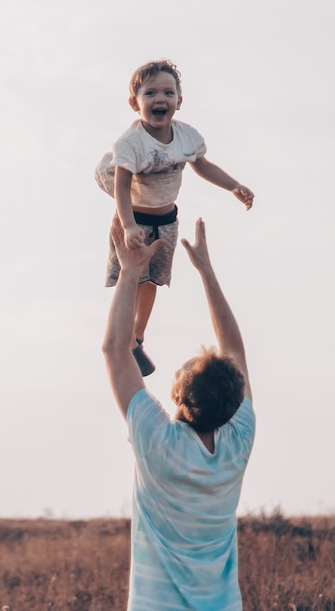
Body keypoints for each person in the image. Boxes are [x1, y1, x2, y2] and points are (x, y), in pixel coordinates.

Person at [102, 215, 256, 611]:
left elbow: (115, 349)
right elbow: (235, 351)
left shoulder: (158, 442)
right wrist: (206, 273)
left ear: (178, 397)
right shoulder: (238, 441)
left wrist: (131, 271)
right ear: (234, 401)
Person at [96, 59, 254, 376]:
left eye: (168, 92)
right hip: (135, 218)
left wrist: (234, 186)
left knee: (153, 280)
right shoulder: (131, 143)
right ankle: (123, 338)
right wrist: (127, 226)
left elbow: (203, 165)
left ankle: (136, 338)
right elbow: (123, 186)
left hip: (166, 219)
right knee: (131, 278)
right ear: (134, 102)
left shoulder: (185, 137)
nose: (160, 99)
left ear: (179, 101)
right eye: (150, 93)